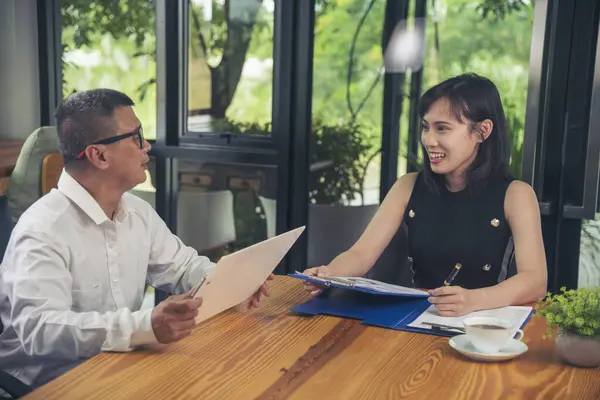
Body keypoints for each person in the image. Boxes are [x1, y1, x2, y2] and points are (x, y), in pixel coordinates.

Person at [0, 89, 272, 389]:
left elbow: (182, 268)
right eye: (136, 136)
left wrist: (234, 280)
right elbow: (40, 331)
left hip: (118, 367)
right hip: (47, 385)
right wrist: (145, 325)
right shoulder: (42, 229)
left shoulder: (138, 212)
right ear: (99, 155)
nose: (148, 146)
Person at [303, 73, 547, 316]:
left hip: (484, 325)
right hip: (419, 318)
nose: (429, 140)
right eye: (425, 127)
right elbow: (361, 254)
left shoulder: (516, 195)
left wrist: (474, 300)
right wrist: (328, 274)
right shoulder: (407, 185)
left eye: (442, 129)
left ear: (482, 131)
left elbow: (535, 280)